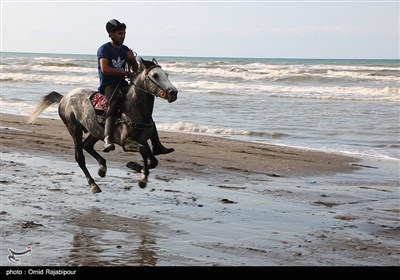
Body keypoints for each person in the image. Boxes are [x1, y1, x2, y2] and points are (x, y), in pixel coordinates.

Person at [97, 19, 174, 155]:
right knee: (114, 104)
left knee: (143, 107)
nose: (123, 36)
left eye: (124, 33)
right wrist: (125, 72)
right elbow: (105, 69)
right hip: (109, 85)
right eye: (120, 33)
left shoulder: (125, 49)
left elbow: (135, 68)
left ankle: (156, 144)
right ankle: (108, 138)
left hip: (123, 83)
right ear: (111, 34)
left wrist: (132, 59)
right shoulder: (104, 49)